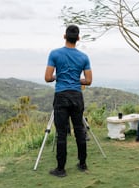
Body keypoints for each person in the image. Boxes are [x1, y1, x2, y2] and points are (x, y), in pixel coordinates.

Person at [44, 25, 92, 177]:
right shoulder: (84, 57)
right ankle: (83, 164)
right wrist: (77, 80)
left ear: (64, 36)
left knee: (62, 133)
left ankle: (61, 169)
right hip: (77, 96)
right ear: (78, 38)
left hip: (61, 96)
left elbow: (47, 78)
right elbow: (89, 80)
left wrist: (58, 77)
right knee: (80, 130)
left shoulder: (55, 54)